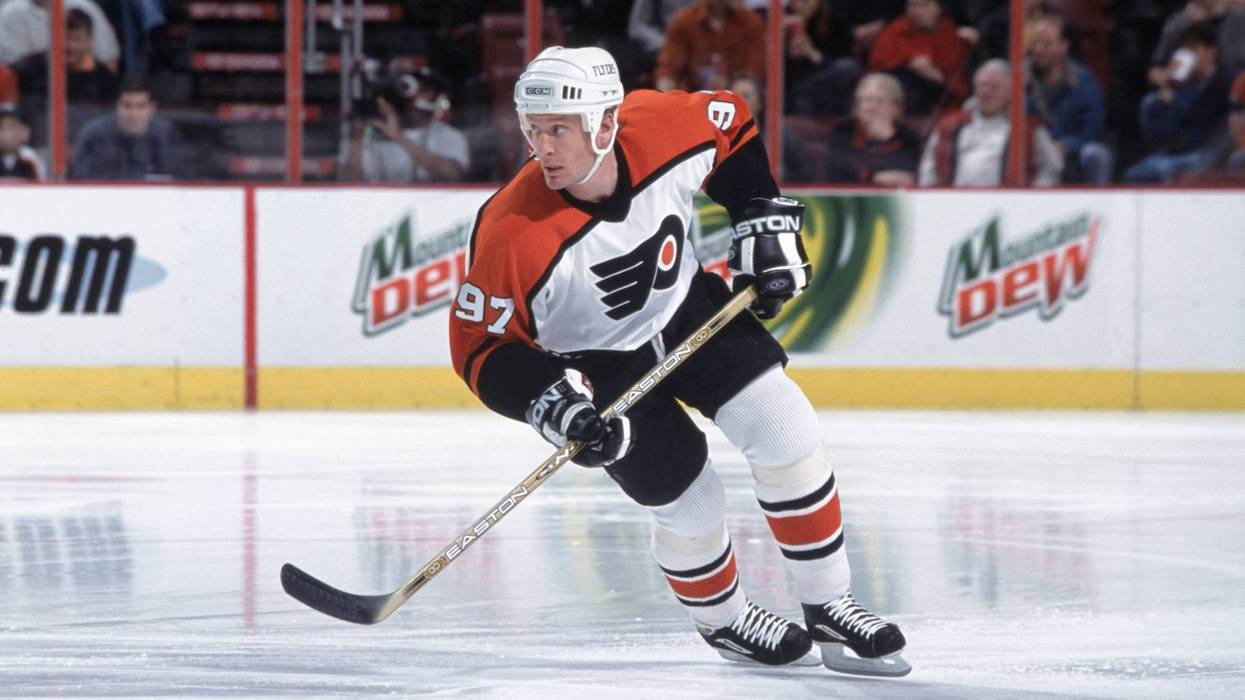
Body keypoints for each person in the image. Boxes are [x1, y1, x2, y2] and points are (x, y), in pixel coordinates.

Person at [448, 45, 910, 676]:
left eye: (559, 129)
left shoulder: (662, 126)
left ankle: (830, 604)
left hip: (690, 313)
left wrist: (760, 217)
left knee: (788, 432)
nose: (542, 148)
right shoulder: (511, 229)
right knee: (691, 503)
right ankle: (726, 622)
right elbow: (480, 347)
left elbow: (732, 123)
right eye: (534, 130)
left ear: (605, 124)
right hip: (601, 370)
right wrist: (552, 405)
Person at [919, 59, 1063, 186]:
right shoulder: (950, 125)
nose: (986, 92)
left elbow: (1052, 169)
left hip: (1006, 203)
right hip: (955, 201)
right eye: (982, 86)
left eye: (994, 87)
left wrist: (1030, 197)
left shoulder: (1028, 128)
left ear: (1011, 92)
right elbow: (928, 167)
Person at [1124, 21, 1231, 183]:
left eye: (1194, 49)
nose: (1189, 55)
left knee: (1161, 170)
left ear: (1211, 51)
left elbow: (1213, 132)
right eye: (1185, 50)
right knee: (1135, 173)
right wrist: (1166, 97)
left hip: (1209, 154)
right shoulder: (1184, 89)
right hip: (1179, 154)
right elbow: (1162, 136)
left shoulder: (1224, 85)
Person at [339, 66, 469, 183]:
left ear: (438, 97)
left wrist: (398, 137)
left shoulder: (451, 136)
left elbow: (454, 174)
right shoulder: (376, 132)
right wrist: (358, 137)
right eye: (410, 88)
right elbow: (349, 183)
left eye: (424, 90)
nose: (415, 95)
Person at [1026, 14, 1112, 184]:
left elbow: (1093, 130)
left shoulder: (1083, 82)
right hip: (1035, 156)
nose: (1039, 49)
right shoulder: (1022, 80)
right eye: (1036, 43)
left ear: (1063, 47)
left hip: (1072, 155)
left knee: (1097, 154)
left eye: (1047, 44)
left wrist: (1067, 146)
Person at [69, 76, 188, 180]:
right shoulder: (95, 134)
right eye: (127, 106)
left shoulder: (166, 135)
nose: (133, 114)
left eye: (140, 106)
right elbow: (80, 179)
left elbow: (180, 178)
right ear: (117, 106)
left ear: (152, 108)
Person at [867, 0, 971, 115]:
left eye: (923, 5)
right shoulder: (895, 32)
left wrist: (941, 77)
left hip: (944, 97)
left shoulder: (949, 32)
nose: (916, 11)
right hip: (906, 96)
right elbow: (879, 69)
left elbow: (961, 77)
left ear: (938, 8)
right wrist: (909, 65)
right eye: (911, 5)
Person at [825, 72, 922, 185]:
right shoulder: (842, 134)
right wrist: (873, 177)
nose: (870, 107)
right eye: (865, 100)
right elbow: (835, 177)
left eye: (878, 101)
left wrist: (885, 137)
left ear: (895, 107)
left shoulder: (908, 139)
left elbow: (907, 176)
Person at [13, 8, 119, 104]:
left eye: (76, 39)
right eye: (62, 38)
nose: (68, 46)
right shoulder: (26, 69)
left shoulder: (106, 80)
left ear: (90, 41)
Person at [654, 0, 765, 92]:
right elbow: (668, 69)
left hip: (734, 99)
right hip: (692, 99)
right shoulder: (684, 21)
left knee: (748, 89)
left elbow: (753, 72)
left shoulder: (751, 23)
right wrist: (665, 96)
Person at [728, 73, 815, 183]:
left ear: (759, 103)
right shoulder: (717, 139)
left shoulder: (781, 137)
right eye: (734, 97)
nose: (739, 102)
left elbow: (805, 175)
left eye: (746, 96)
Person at [783, 0, 861, 116]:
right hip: (792, 89)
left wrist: (813, 54)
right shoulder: (779, 21)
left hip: (824, 84)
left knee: (847, 69)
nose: (803, 3)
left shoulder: (834, 21)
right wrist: (779, 39)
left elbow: (848, 66)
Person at [0, 0, 119, 69]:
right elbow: (13, 70)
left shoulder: (86, 7)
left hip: (87, 92)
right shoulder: (10, 13)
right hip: (31, 94)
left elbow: (108, 60)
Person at [0, 105, 44, 181]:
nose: (6, 133)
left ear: (25, 132)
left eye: (12, 127)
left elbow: (41, 185)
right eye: (2, 128)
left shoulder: (31, 158)